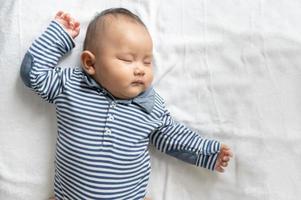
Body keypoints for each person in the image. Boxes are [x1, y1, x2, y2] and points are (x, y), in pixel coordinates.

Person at [20, 8, 233, 200]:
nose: (140, 69)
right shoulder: (71, 85)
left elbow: (172, 137)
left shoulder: (149, 104)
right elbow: (34, 74)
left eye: (147, 61)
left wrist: (208, 152)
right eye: (127, 60)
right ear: (90, 63)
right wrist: (59, 36)